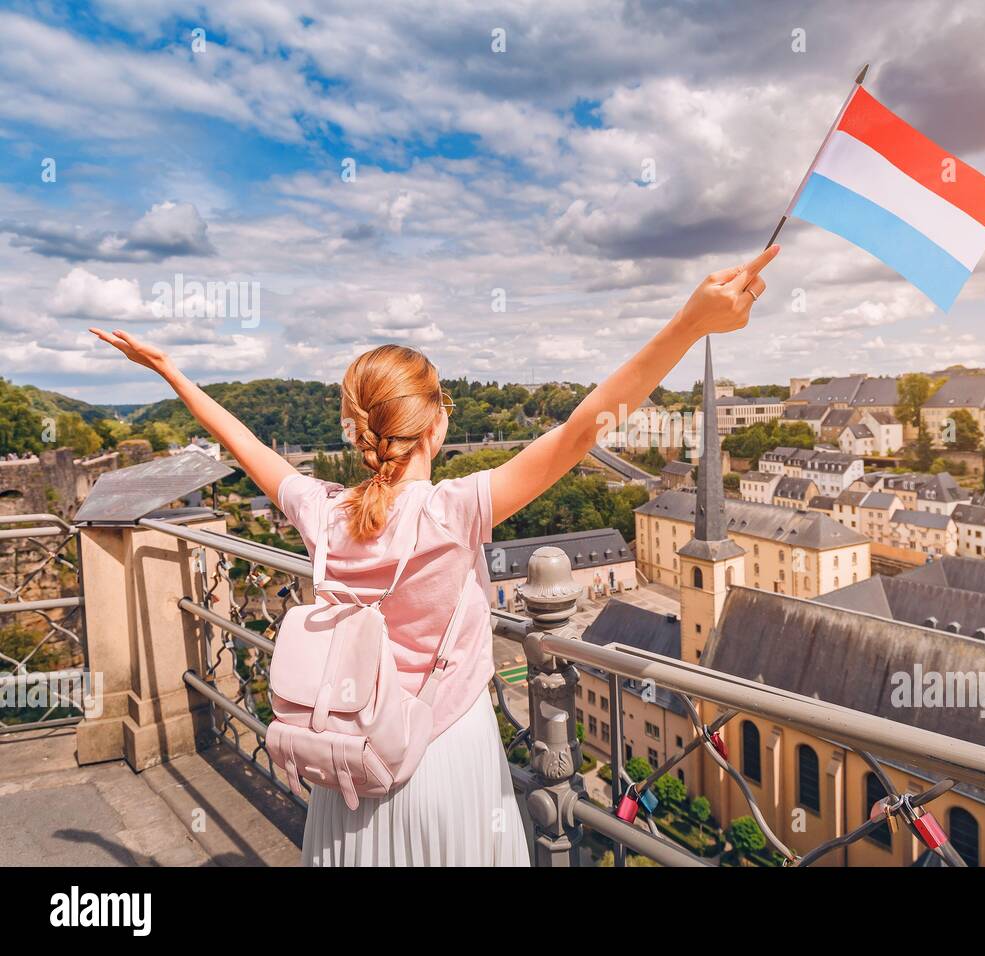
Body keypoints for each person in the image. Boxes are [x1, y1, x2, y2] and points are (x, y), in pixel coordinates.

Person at [88, 244, 779, 866]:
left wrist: (172, 373)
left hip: (348, 763)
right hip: (445, 756)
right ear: (439, 420)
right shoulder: (454, 511)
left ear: (360, 431)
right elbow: (580, 430)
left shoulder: (324, 515)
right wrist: (689, 324)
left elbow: (248, 448)